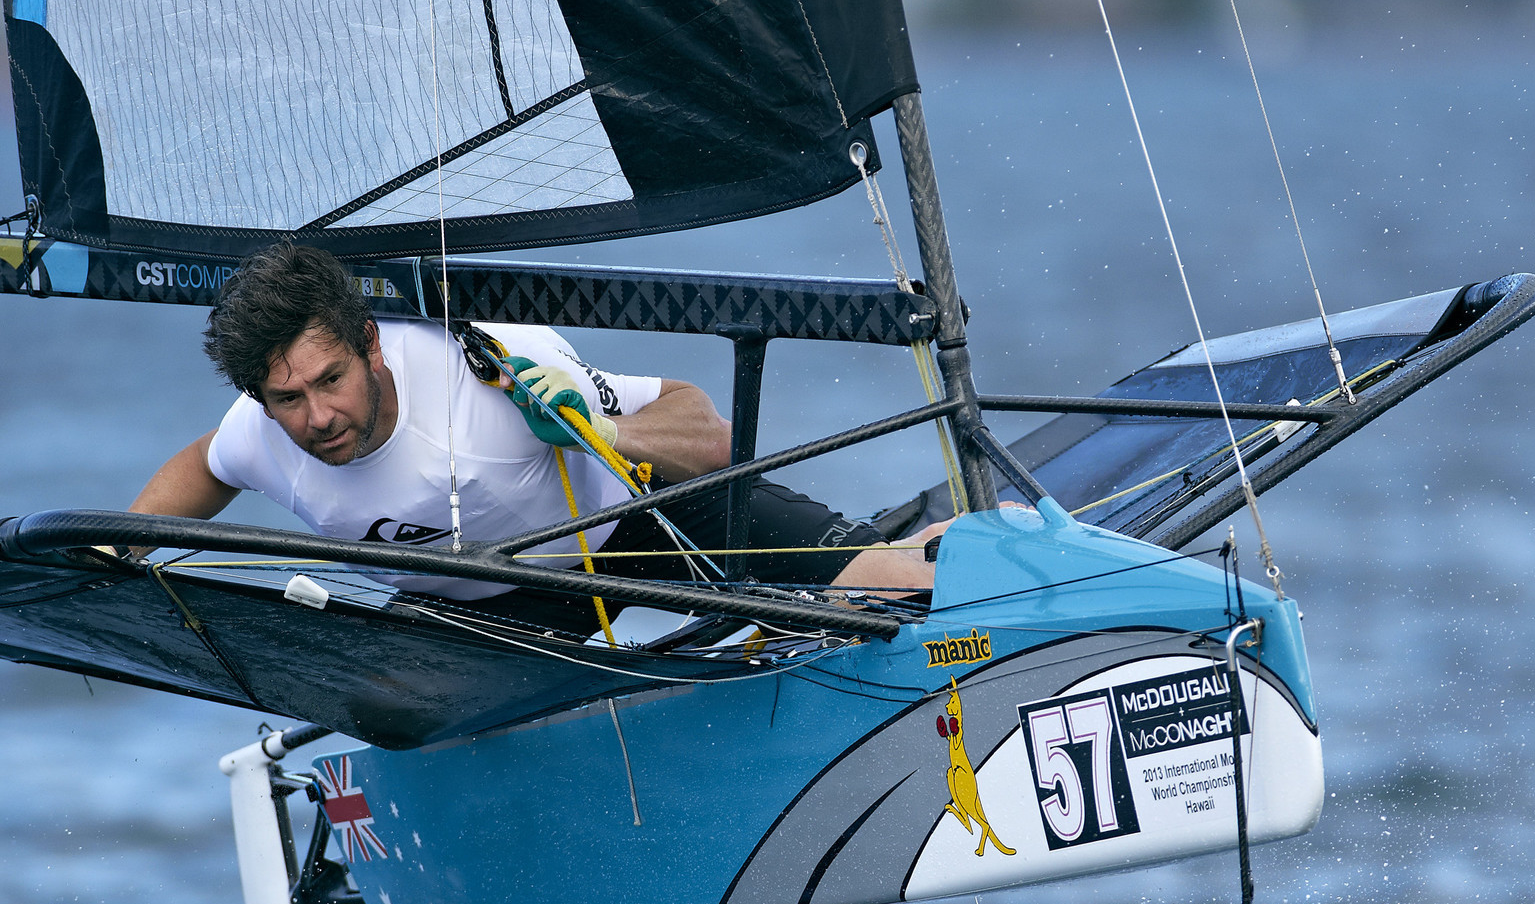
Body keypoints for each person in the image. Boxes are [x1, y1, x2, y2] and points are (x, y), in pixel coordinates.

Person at [130, 239, 942, 614]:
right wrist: (113, 551)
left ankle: (932, 548)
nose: (317, 418)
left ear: (369, 342)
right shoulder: (261, 427)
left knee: (899, 590)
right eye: (287, 399)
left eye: (331, 381)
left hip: (632, 524)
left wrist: (598, 431)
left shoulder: (489, 364)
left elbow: (711, 431)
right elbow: (206, 464)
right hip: (493, 612)